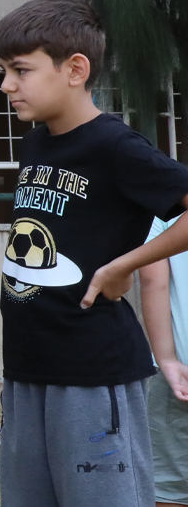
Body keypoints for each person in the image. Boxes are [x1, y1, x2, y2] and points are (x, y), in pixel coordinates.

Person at [0, 0, 188, 507]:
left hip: (91, 373)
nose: (6, 84)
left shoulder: (116, 147)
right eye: (3, 70)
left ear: (75, 69)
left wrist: (124, 264)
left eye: (20, 70)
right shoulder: (36, 142)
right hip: (28, 367)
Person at [139, 214, 188, 507]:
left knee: (170, 490)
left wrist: (166, 358)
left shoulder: (164, 210)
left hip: (180, 374)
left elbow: (151, 279)